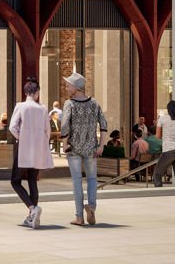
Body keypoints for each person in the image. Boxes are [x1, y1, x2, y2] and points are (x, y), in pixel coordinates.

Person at [59, 72, 106, 227]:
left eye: (68, 85)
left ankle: (79, 217)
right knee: (92, 179)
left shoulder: (69, 104)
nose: (66, 87)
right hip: (91, 148)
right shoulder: (94, 103)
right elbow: (104, 124)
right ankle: (91, 207)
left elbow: (65, 125)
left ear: (76, 87)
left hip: (74, 149)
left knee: (77, 181)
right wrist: (101, 145)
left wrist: (65, 144)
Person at [8, 78, 52, 229]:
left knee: (15, 181)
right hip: (38, 148)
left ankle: (32, 209)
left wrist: (24, 138)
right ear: (37, 93)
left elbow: (12, 127)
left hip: (24, 149)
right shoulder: (43, 109)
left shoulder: (21, 106)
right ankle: (32, 215)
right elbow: (48, 130)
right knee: (32, 180)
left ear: (26, 92)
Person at [154, 100, 175, 187]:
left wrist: (166, 137)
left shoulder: (162, 119)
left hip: (169, 150)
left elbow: (158, 136)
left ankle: (158, 195)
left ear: (168, 109)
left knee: (157, 174)